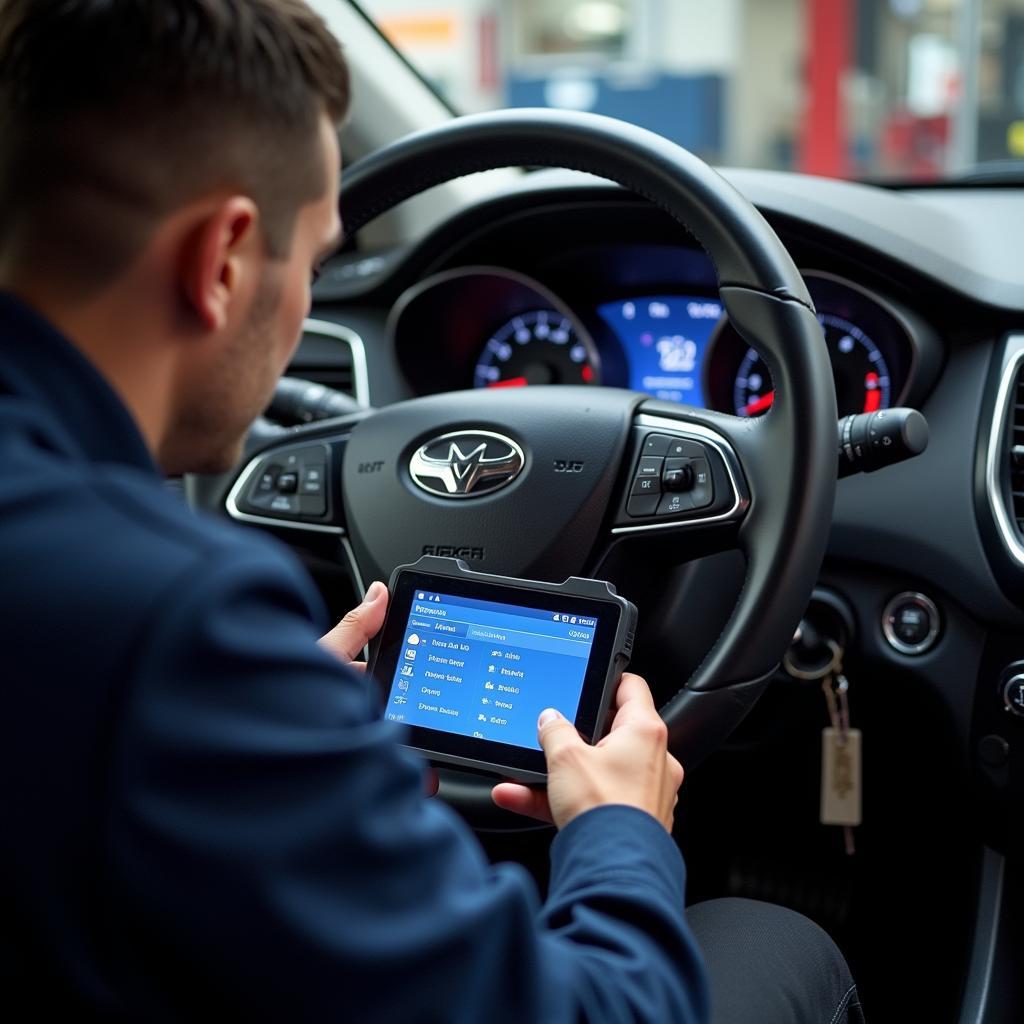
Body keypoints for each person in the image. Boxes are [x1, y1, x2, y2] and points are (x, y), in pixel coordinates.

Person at [0, 1, 863, 1021]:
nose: (305, 310)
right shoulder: (173, 632)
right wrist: (620, 828)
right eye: (314, 265)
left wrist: (272, 736)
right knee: (774, 939)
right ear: (223, 261)